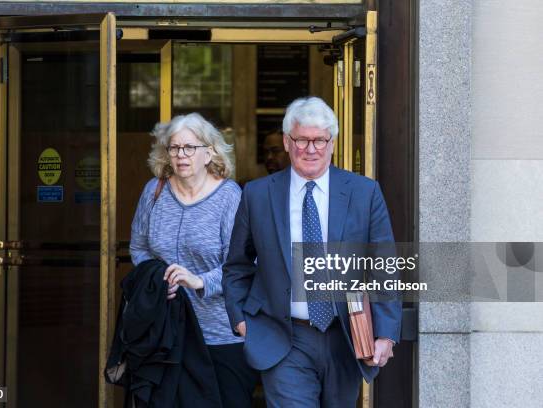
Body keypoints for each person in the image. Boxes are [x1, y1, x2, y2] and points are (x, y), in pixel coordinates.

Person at [222, 97, 402, 407]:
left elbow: (383, 266)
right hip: (283, 337)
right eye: (302, 139)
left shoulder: (364, 192)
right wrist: (240, 318)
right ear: (287, 141)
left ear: (332, 142)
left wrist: (385, 332)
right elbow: (237, 264)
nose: (311, 148)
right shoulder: (258, 194)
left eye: (320, 140)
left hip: (346, 336)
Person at [129, 112, 258, 408]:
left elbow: (243, 263)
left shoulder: (229, 197)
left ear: (209, 152)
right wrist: (156, 278)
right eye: (174, 148)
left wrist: (199, 281)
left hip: (219, 336)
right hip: (165, 333)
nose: (181, 155)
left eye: (190, 148)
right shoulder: (154, 192)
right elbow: (139, 248)